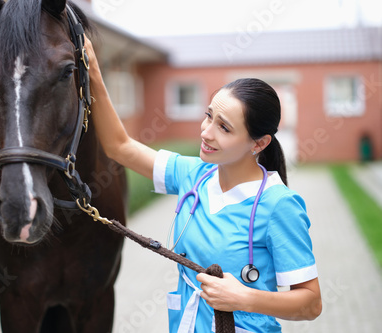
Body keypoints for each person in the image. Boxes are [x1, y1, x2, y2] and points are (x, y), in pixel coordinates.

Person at [84, 36, 322, 333]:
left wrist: (244, 297)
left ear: (258, 143)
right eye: (208, 116)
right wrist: (92, 70)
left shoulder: (279, 205)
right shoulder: (195, 174)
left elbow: (311, 304)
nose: (206, 133)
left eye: (223, 127)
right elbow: (120, 147)